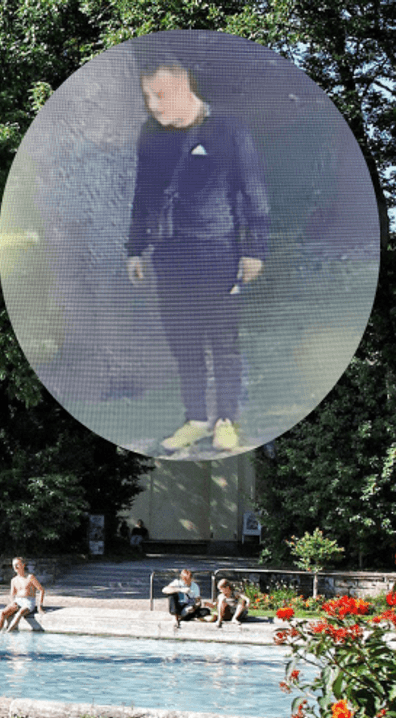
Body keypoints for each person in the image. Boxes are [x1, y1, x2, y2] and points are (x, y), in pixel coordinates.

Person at [125, 56, 269, 454]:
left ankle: (227, 421)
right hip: (169, 256)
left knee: (222, 342)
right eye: (148, 96)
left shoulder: (227, 128)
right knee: (183, 342)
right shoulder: (151, 135)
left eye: (162, 94)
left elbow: (252, 191)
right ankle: (197, 419)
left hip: (218, 254)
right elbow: (144, 194)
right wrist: (135, 248)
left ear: (184, 84)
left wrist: (254, 249)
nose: (154, 105)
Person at [0, 557, 45, 632]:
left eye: (17, 565)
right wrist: (13, 602)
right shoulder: (14, 580)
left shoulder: (30, 577)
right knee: (3, 613)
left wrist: (40, 606)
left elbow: (41, 590)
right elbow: (12, 594)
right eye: (13, 565)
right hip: (18, 601)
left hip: (28, 601)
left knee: (19, 614)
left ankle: (7, 633)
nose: (15, 567)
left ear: (23, 565)